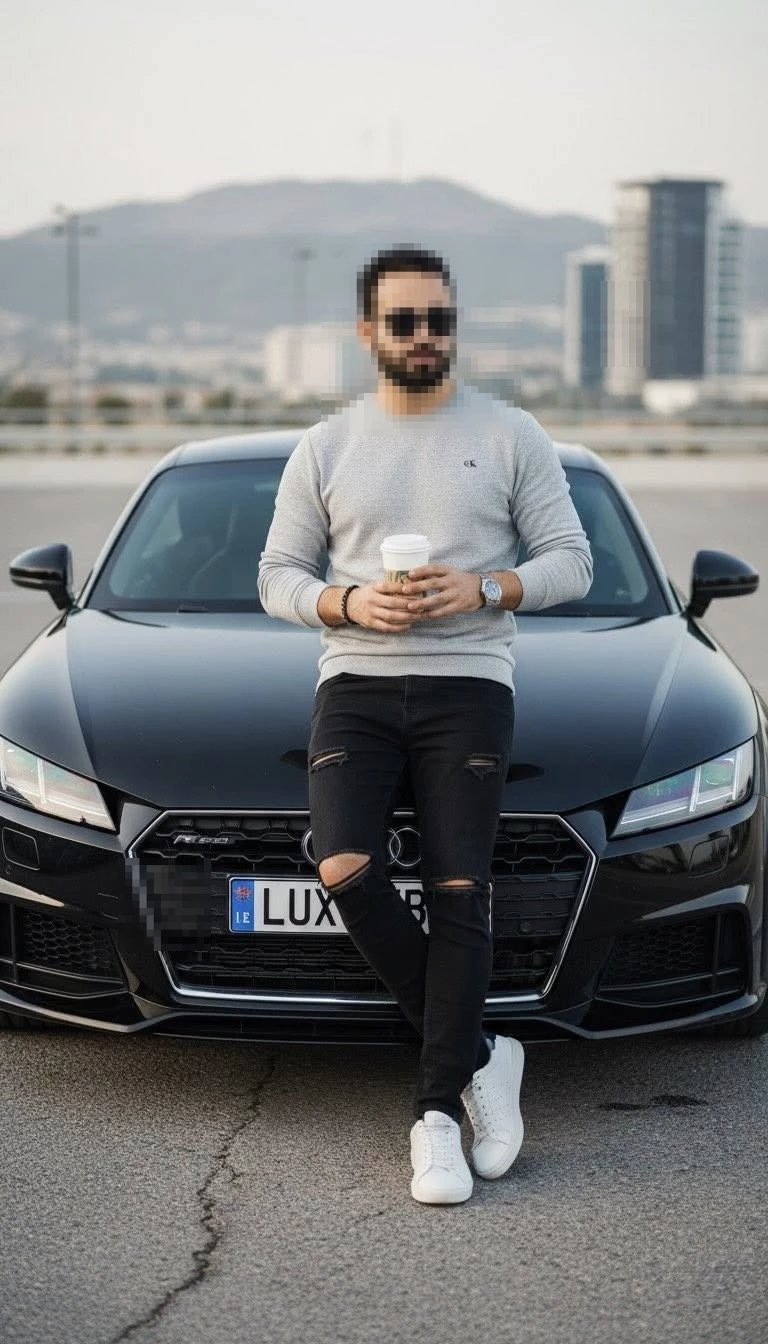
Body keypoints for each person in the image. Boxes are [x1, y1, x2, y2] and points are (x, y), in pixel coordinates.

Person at [257, 245, 593, 1205]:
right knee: (344, 866)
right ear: (368, 332)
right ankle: (486, 1050)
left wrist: (488, 585)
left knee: (459, 888)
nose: (423, 337)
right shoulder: (325, 444)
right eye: (402, 321)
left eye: (438, 319)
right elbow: (276, 575)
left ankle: (435, 1113)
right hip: (356, 682)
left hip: (470, 681)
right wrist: (346, 605)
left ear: (454, 324)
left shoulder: (512, 432)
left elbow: (573, 562)